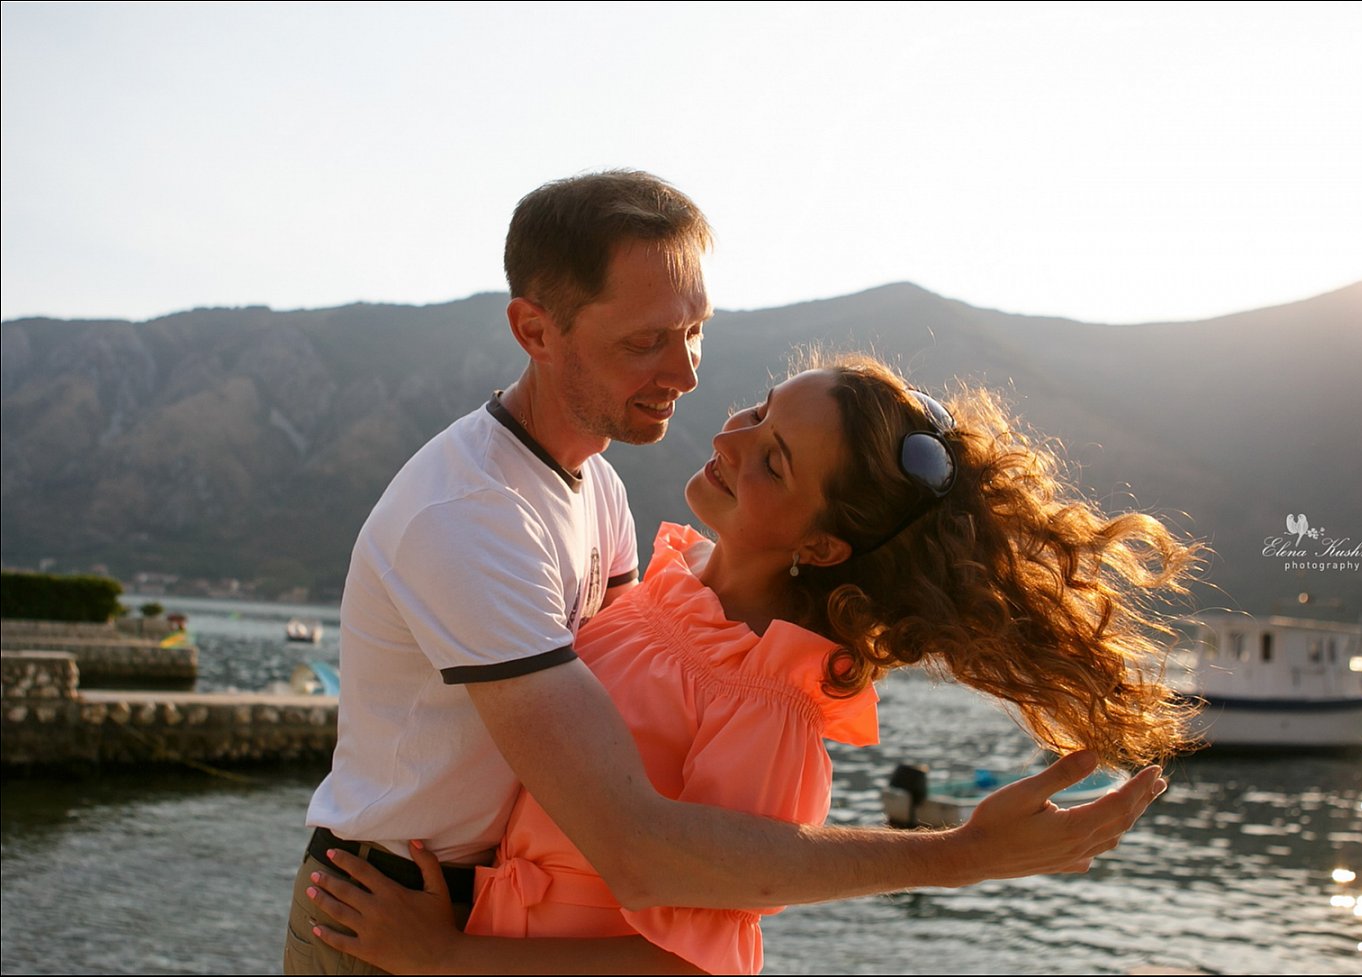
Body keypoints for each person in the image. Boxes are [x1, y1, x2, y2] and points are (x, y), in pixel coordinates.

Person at [285, 169, 1172, 976]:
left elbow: (664, 871)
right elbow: (633, 836)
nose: (686, 377)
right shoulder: (474, 517)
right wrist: (958, 855)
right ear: (535, 330)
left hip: (454, 934)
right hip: (388, 913)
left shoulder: (599, 494)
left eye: (695, 331)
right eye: (646, 341)